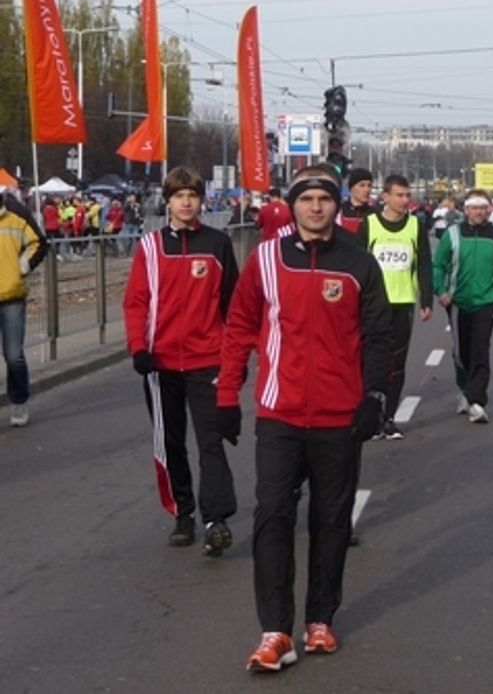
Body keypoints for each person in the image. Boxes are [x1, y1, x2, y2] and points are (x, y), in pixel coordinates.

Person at [217, 166, 391, 672]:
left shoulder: (359, 264)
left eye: (324, 199)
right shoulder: (266, 259)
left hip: (340, 416)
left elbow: (378, 336)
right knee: (272, 515)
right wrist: (228, 393)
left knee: (331, 521)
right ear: (291, 206)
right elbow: (240, 325)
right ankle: (275, 631)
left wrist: (374, 396)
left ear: (337, 206)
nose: (316, 207)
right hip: (280, 412)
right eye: (307, 198)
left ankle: (320, 619)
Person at [122, 167, 240, 551]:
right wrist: (139, 347)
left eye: (192, 195)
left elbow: (233, 306)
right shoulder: (150, 248)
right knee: (170, 443)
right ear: (168, 201)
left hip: (208, 360)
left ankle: (215, 519)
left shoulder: (218, 244)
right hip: (161, 364)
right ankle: (183, 513)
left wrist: (233, 356)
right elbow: (136, 302)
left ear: (200, 199)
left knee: (211, 440)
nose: (186, 202)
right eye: (179, 196)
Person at [358, 173, 433, 440]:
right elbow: (357, 265)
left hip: (403, 302)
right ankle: (370, 414)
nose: (405, 200)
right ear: (385, 197)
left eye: (407, 195)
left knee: (396, 363)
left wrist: (426, 299)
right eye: (399, 195)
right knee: (370, 360)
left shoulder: (415, 225)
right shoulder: (369, 225)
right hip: (373, 305)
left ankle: (389, 417)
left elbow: (424, 263)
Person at [432, 188, 493, 423]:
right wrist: (440, 291)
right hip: (458, 301)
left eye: (482, 207)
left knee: (480, 350)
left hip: (485, 302)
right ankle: (465, 389)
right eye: (474, 207)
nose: (479, 212)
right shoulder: (453, 234)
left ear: (488, 209)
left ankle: (477, 400)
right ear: (466, 210)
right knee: (461, 352)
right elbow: (438, 265)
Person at [0, 191, 45, 427]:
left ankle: (19, 401)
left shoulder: (17, 213)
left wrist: (22, 268)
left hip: (12, 296)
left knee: (13, 355)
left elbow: (39, 243)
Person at [338, 168, 375, 235]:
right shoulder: (339, 212)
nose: (367, 190)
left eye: (369, 185)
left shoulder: (375, 213)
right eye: (362, 185)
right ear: (351, 188)